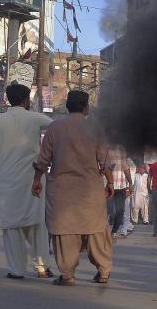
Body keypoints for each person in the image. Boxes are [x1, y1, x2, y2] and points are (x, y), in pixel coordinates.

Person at [31, 90, 113, 286]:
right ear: (86, 107)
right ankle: (103, 272)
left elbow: (43, 161)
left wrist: (36, 181)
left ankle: (67, 275)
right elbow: (105, 162)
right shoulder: (96, 128)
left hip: (62, 190)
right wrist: (110, 182)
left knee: (64, 231)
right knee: (96, 229)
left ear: (67, 106)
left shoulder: (54, 127)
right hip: (90, 189)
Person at [0, 83, 53, 279]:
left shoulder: (0, 120)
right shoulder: (35, 118)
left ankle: (16, 270)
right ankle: (42, 267)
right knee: (37, 224)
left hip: (6, 182)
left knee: (11, 227)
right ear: (25, 100)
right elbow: (55, 128)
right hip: (33, 180)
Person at [106, 144, 132, 238]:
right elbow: (126, 169)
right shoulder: (121, 151)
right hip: (119, 187)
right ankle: (113, 232)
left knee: (107, 210)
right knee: (120, 211)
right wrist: (130, 183)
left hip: (108, 186)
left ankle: (104, 231)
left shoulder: (105, 150)